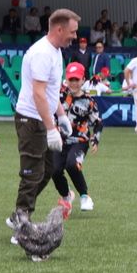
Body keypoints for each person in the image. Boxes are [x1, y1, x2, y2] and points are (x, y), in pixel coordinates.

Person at [5, 8, 79, 240]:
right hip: (30, 120)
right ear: (59, 29)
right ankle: (22, 226)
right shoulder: (41, 54)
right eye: (72, 32)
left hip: (42, 118)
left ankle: (18, 216)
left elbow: (49, 92)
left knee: (48, 170)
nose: (74, 37)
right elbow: (38, 95)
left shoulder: (56, 52)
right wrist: (51, 128)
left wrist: (62, 115)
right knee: (32, 173)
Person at [52, 62, 102, 212]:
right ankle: (66, 195)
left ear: (83, 80)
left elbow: (98, 122)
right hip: (59, 140)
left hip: (80, 141)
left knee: (72, 164)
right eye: (70, 79)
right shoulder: (58, 96)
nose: (73, 83)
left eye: (77, 79)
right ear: (66, 79)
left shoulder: (89, 101)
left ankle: (85, 196)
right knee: (54, 170)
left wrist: (95, 138)